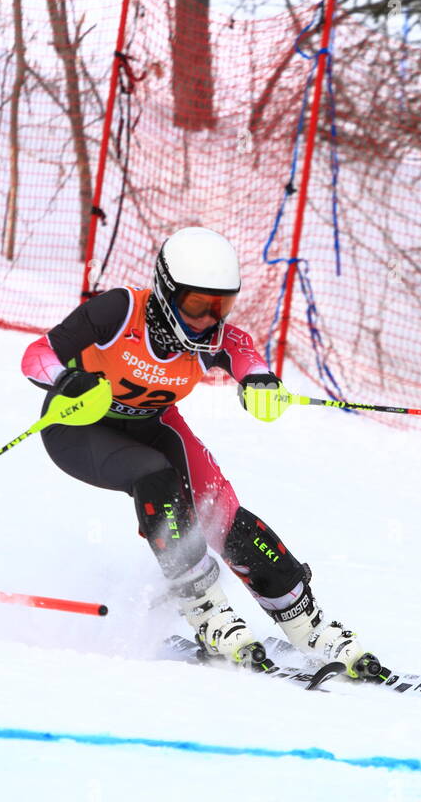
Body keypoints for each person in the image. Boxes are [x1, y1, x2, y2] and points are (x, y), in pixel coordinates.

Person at [21, 226, 381, 677]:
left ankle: (307, 624)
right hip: (80, 429)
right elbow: (37, 354)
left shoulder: (216, 338)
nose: (210, 319)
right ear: (168, 293)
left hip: (153, 426)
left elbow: (246, 356)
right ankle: (206, 612)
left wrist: (261, 382)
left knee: (224, 514)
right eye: (197, 305)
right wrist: (63, 379)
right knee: (156, 477)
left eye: (222, 306)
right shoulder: (120, 310)